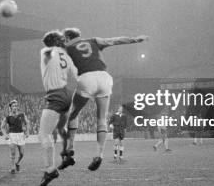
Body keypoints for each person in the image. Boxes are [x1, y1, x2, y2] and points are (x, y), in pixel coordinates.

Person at [60, 28, 148, 171]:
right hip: (104, 77)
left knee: (73, 114)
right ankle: (99, 155)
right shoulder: (94, 41)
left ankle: (70, 149)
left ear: (68, 38)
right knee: (101, 119)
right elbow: (115, 40)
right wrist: (135, 39)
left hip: (86, 78)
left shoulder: (67, 47)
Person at [37, 30, 77, 186]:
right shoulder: (66, 56)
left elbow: (47, 53)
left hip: (55, 94)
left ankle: (50, 169)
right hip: (67, 94)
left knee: (43, 134)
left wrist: (48, 50)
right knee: (61, 127)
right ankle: (68, 152)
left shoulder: (46, 52)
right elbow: (77, 74)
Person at [1, 100, 29, 174]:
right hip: (12, 135)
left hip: (21, 135)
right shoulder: (8, 117)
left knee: (22, 153)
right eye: (13, 106)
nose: (15, 107)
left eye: (16, 106)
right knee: (13, 152)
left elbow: (27, 123)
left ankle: (17, 163)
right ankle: (12, 167)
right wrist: (5, 135)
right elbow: (2, 127)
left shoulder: (22, 115)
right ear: (10, 107)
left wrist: (27, 132)